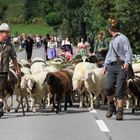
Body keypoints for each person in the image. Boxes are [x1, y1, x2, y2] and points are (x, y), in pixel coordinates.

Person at [102, 19, 133, 120]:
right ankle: (111, 106)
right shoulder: (112, 40)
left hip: (120, 67)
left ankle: (120, 111)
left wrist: (127, 63)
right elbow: (109, 54)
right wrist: (105, 66)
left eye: (109, 29)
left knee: (120, 90)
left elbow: (128, 51)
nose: (108, 30)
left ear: (111, 29)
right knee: (108, 88)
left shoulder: (123, 38)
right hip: (111, 66)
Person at [0, 23, 20, 117]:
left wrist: (17, 69)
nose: (8, 35)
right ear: (1, 32)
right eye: (6, 33)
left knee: (1, 89)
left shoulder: (9, 45)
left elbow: (14, 58)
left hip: (4, 70)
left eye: (8, 33)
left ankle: (0, 104)